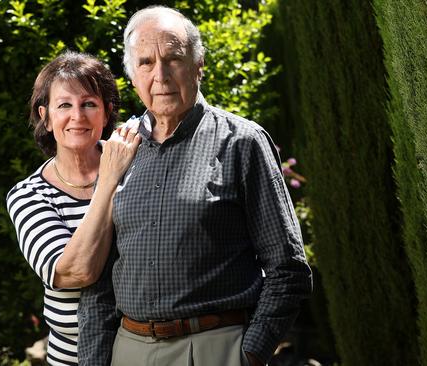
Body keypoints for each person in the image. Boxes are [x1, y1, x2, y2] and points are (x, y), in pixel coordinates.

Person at [77, 6, 312, 366]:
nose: (161, 75)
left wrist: (248, 355)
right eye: (146, 63)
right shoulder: (118, 149)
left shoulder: (242, 142)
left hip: (214, 347)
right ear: (132, 75)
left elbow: (288, 268)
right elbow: (99, 280)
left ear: (198, 65)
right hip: (129, 349)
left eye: (173, 59)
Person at [6, 50, 141, 365]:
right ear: (46, 116)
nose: (77, 116)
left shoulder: (138, 166)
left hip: (146, 348)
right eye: (64, 105)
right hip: (74, 357)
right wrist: (109, 179)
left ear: (106, 113)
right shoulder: (28, 196)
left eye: (89, 104)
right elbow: (75, 272)